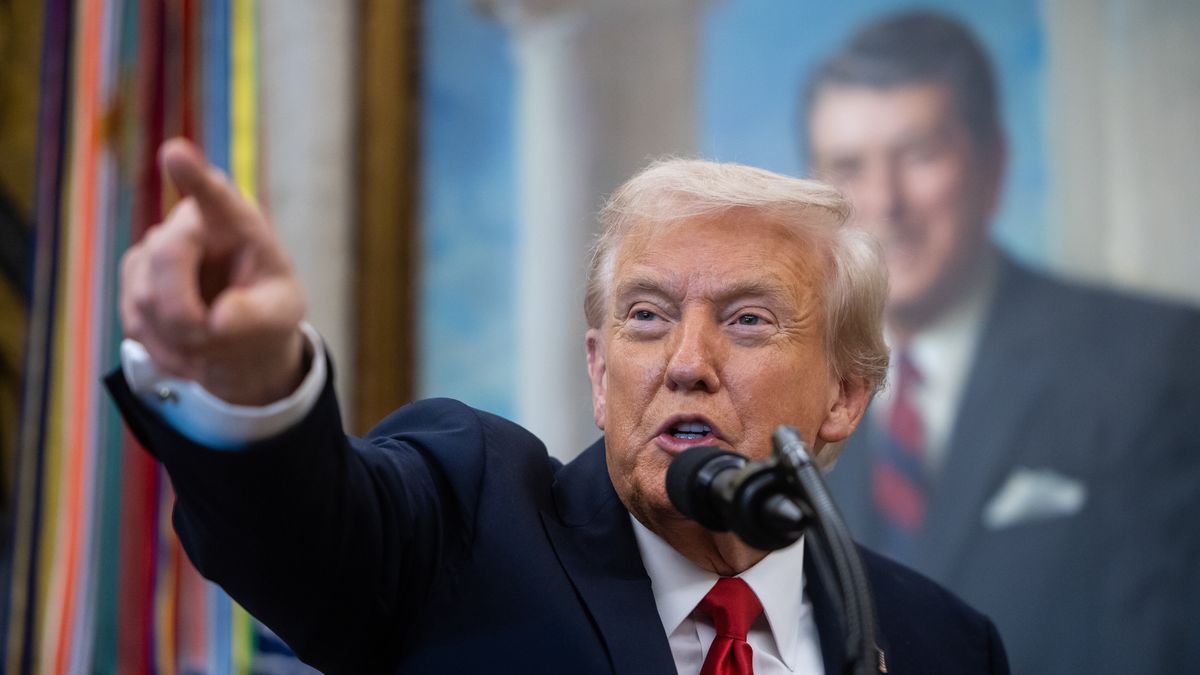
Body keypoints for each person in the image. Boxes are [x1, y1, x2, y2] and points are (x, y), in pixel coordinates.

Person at [106, 138, 1009, 674]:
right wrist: (250, 383)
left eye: (747, 319)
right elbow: (308, 533)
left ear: (845, 396)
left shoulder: (942, 643)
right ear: (598, 366)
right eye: (647, 317)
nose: (686, 362)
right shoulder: (469, 518)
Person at [800, 11, 1200, 675]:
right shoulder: (781, 392)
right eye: (847, 167)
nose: (884, 202)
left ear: (995, 164)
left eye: (920, 155)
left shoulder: (1153, 361)